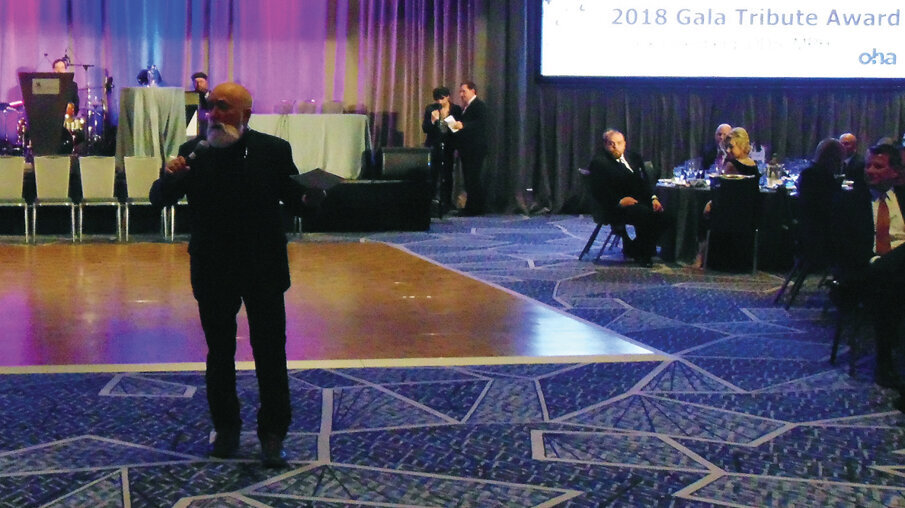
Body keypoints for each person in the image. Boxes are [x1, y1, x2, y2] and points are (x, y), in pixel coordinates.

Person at [150, 82, 323, 468]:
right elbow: (158, 199)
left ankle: (273, 435)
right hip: (213, 268)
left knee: (270, 354)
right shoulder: (192, 153)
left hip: (262, 267)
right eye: (210, 107)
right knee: (220, 355)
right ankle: (226, 429)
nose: (213, 114)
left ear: (246, 113)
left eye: (223, 107)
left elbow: (296, 199)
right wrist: (170, 176)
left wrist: (314, 196)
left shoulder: (273, 150)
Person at [834, 143, 905, 400]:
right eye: (869, 165)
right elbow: (843, 250)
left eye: (879, 166)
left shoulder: (902, 199)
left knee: (896, 278)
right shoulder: (850, 202)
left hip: (896, 274)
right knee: (890, 282)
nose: (871, 171)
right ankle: (886, 364)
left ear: (895, 172)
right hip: (866, 271)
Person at [585, 129, 665, 267]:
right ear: (605, 145)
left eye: (619, 143)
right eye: (611, 144)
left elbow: (643, 182)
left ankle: (636, 247)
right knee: (646, 215)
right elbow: (599, 190)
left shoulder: (633, 157)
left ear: (625, 144)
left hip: (638, 200)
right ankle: (643, 254)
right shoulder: (600, 162)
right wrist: (619, 201)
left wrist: (653, 198)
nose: (616, 147)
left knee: (666, 215)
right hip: (615, 206)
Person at [796, 138, 844, 269]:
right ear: (832, 159)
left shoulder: (809, 173)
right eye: (839, 160)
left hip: (807, 231)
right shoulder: (820, 178)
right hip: (818, 235)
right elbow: (829, 208)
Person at [422, 86, 462, 217]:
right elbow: (425, 128)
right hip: (434, 145)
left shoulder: (455, 109)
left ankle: (446, 202)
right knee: (433, 174)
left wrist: (452, 123)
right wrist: (433, 120)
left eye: (442, 98)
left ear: (448, 97)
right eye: (437, 99)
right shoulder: (431, 109)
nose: (439, 101)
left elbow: (458, 129)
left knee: (448, 174)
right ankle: (431, 201)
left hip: (449, 146)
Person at [452, 81, 488, 216]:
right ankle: (472, 206)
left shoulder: (479, 105)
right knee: (469, 178)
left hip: (475, 148)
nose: (461, 94)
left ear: (473, 91)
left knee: (473, 178)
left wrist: (463, 125)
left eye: (464, 91)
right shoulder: (466, 107)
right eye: (460, 92)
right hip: (467, 148)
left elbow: (480, 124)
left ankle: (474, 208)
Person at [191, 71, 211, 135]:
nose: (198, 84)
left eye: (201, 82)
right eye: (196, 82)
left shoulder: (213, 95)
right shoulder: (190, 97)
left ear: (206, 83)